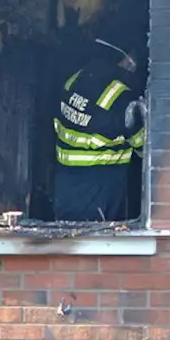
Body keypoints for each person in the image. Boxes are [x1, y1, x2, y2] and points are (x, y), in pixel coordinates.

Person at [52, 38, 146, 222]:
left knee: (66, 234)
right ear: (126, 58)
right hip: (101, 183)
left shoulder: (75, 78)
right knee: (99, 239)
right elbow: (142, 144)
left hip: (65, 182)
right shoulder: (121, 95)